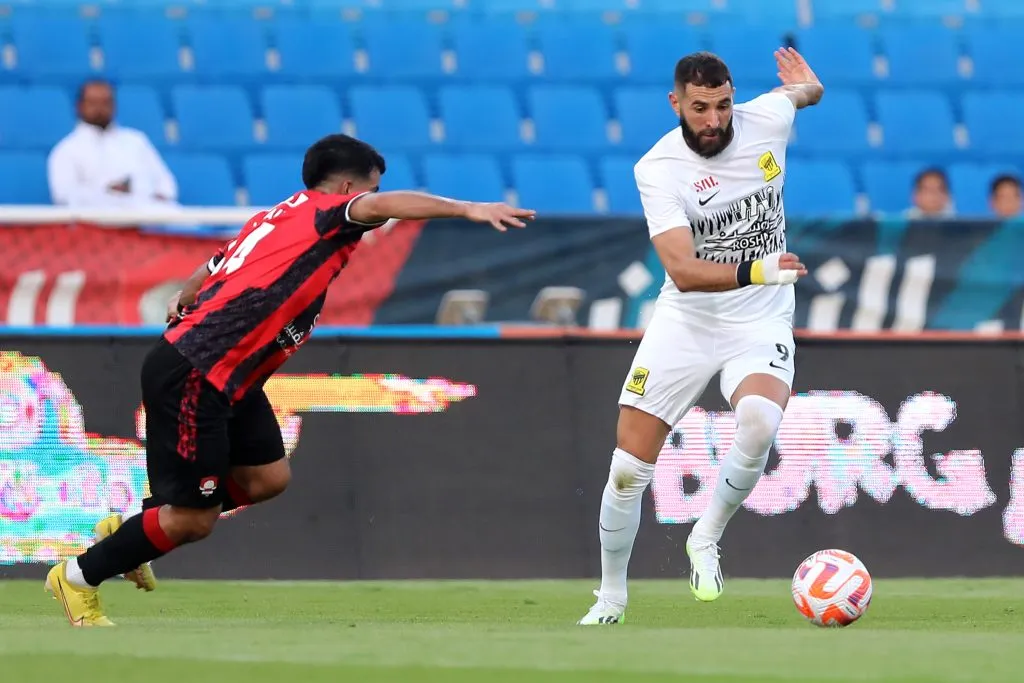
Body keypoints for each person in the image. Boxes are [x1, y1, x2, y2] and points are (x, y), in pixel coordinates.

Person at [44, 133, 535, 626]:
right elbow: (386, 204)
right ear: (348, 187)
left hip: (232, 376)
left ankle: (141, 529)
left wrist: (188, 292)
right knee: (192, 520)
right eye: (370, 190)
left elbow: (217, 262)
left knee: (267, 478)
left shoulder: (280, 216)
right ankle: (77, 577)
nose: (379, 207)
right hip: (199, 371)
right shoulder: (327, 214)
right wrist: (466, 208)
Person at [577, 48, 823, 625]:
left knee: (761, 420)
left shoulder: (766, 119)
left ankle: (705, 537)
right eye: (699, 108)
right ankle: (611, 597)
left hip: (759, 320)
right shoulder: (657, 169)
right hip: (687, 320)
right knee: (627, 468)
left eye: (722, 105)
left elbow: (801, 95)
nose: (713, 120)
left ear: (734, 96)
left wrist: (810, 86)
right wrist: (760, 268)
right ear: (676, 104)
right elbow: (684, 272)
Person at [47, 79, 179, 209]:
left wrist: (140, 192)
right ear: (79, 106)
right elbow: (63, 197)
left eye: (106, 102)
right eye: (93, 103)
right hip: (95, 223)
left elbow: (166, 186)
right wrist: (108, 192)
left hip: (145, 219)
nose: (100, 108)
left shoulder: (136, 140)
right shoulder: (66, 150)